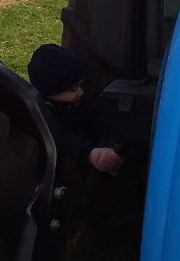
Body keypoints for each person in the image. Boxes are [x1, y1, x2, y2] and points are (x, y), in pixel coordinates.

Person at [27, 43, 123, 177]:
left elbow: (94, 119)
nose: (80, 92)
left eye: (80, 86)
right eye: (73, 89)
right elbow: (60, 139)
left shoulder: (75, 103)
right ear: (51, 90)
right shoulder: (44, 114)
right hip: (66, 173)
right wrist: (90, 153)